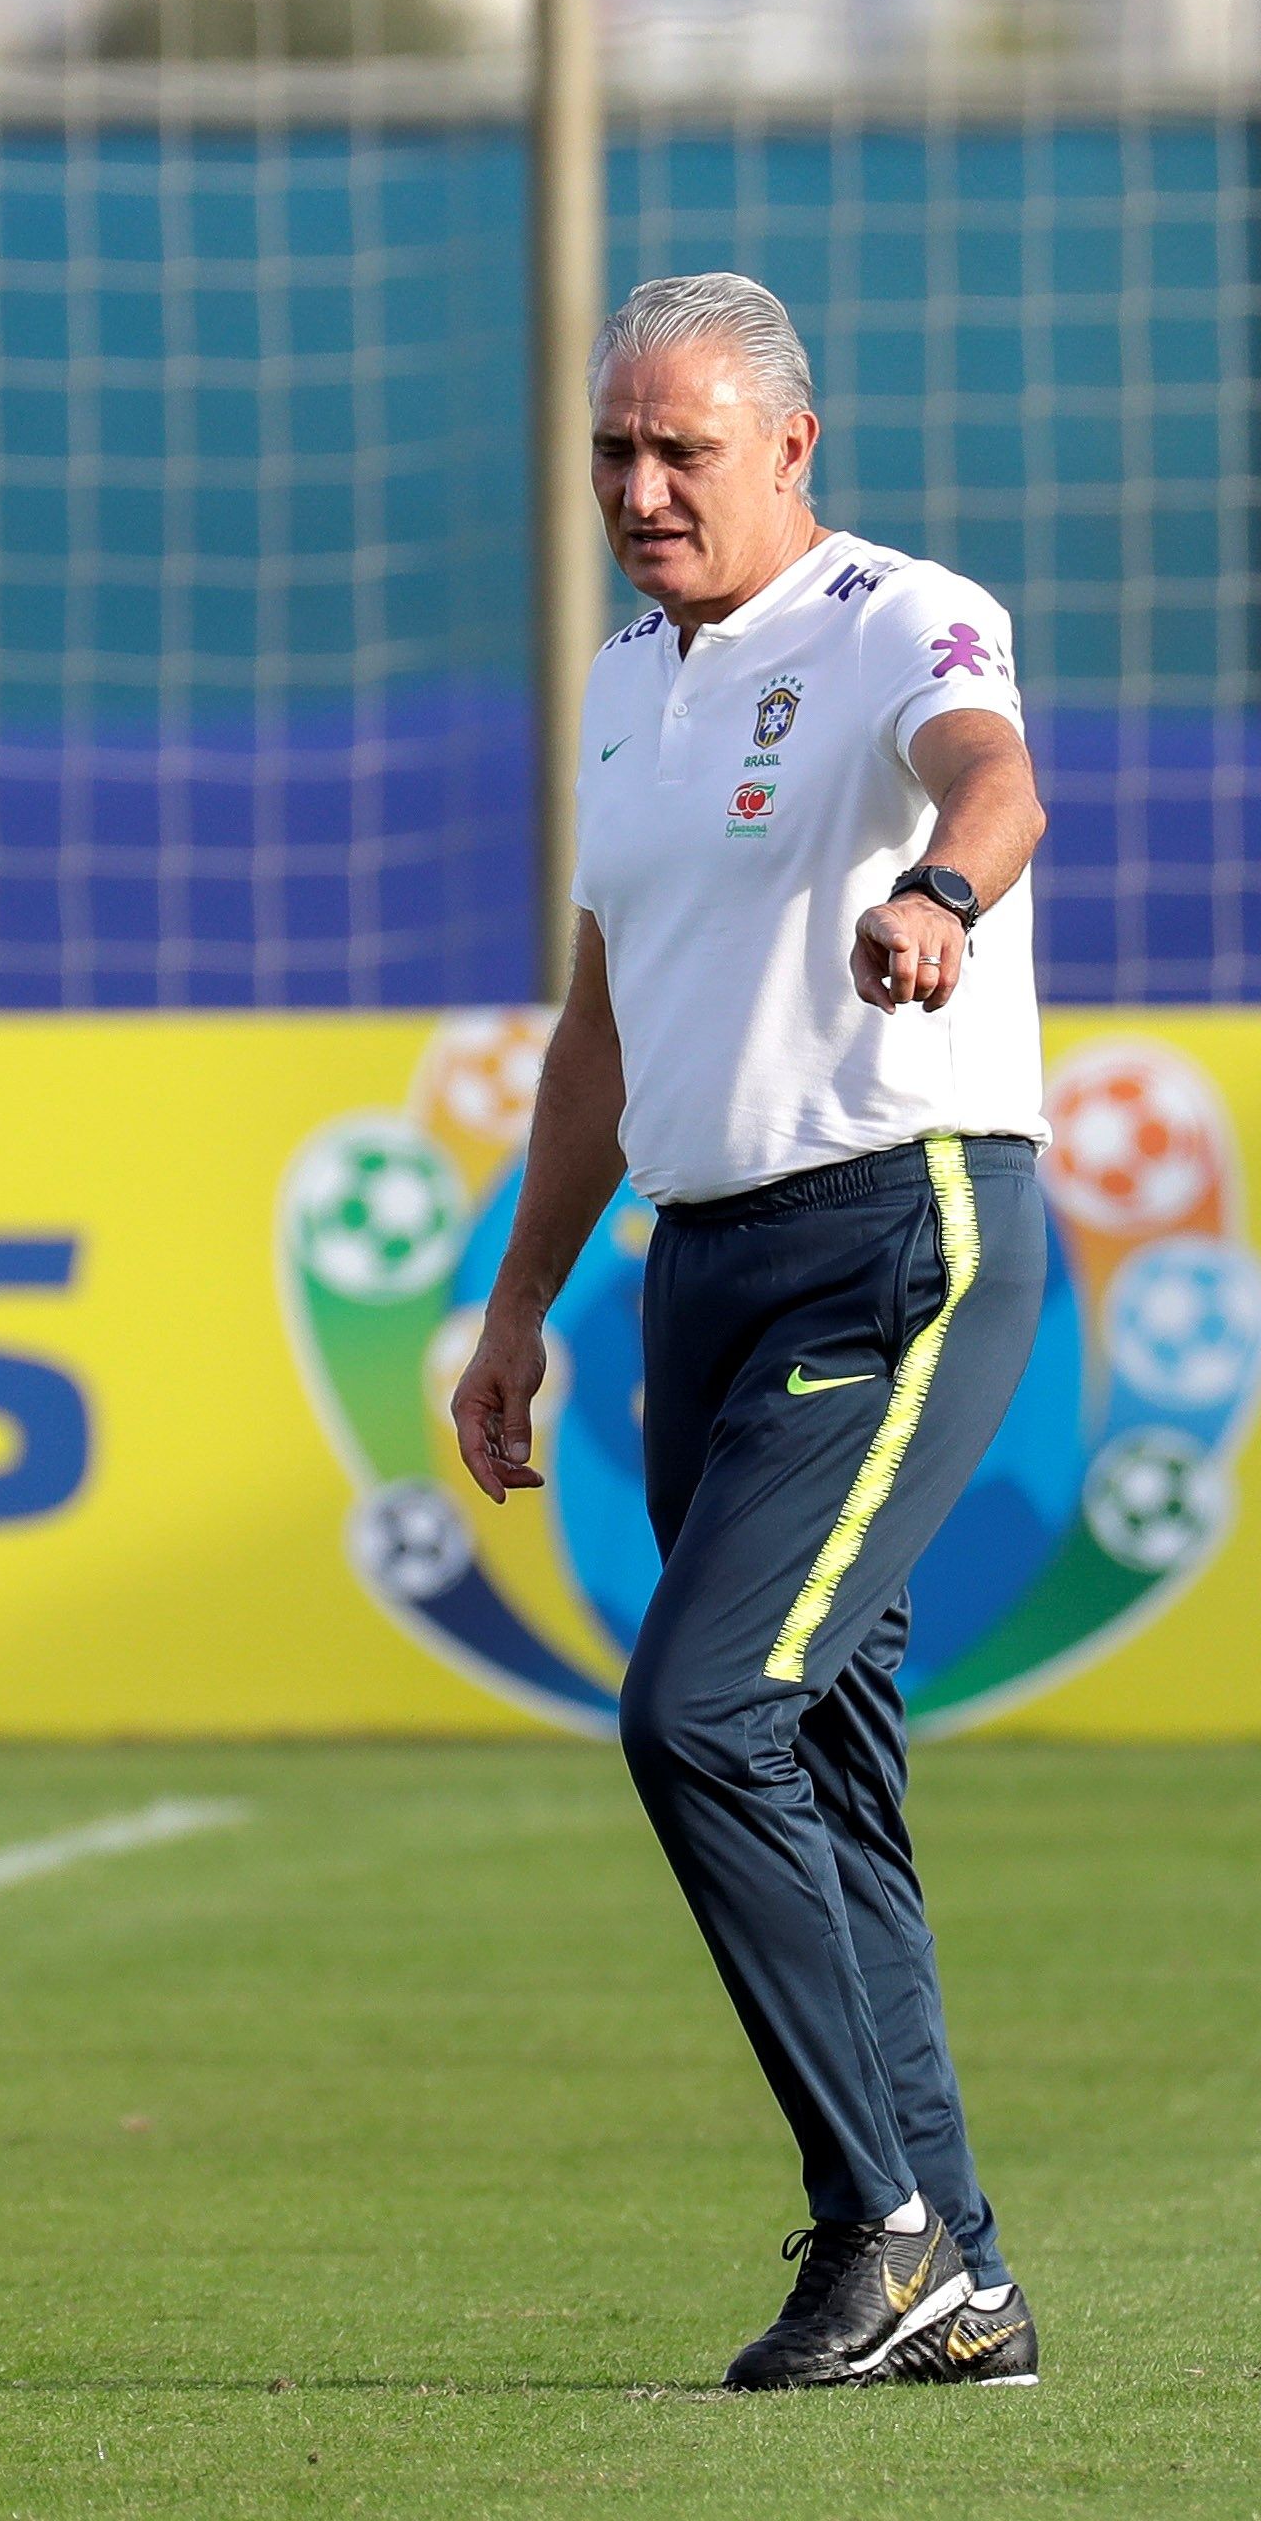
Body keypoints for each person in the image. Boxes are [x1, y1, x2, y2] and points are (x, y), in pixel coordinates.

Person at [450, 272, 1052, 2391]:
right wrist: (520, 1299)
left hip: (897, 1231)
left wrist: (941, 902)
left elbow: (995, 780)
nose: (637, 487)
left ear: (793, 445)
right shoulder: (627, 681)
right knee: (814, 1752)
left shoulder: (901, 616)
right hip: (699, 1265)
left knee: (700, 1711)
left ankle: (874, 2224)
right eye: (611, 451)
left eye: (678, 449)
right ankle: (957, 2267)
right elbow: (603, 1025)